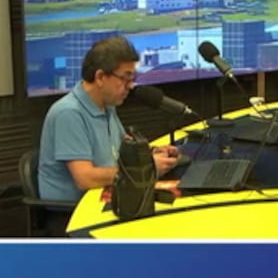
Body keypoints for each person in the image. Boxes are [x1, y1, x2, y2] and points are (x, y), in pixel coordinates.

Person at [36, 36, 179, 216]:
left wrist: (151, 154)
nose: (130, 86)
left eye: (132, 78)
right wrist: (149, 169)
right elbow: (85, 178)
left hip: (107, 195)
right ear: (101, 77)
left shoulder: (107, 106)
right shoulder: (68, 113)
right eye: (125, 78)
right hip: (73, 213)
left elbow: (120, 152)